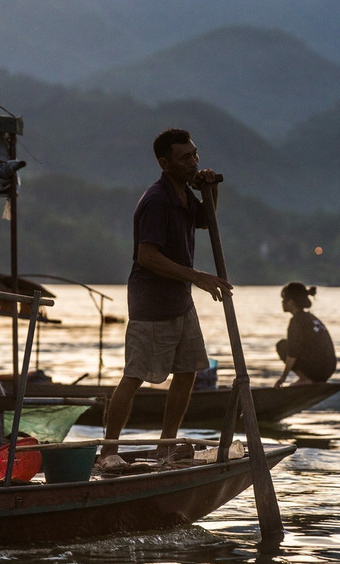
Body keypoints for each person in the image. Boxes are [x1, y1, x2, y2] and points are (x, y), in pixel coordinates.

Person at [98, 128, 232, 463]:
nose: (193, 162)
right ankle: (108, 451)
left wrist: (210, 189)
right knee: (135, 377)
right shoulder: (157, 200)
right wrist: (197, 276)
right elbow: (147, 256)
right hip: (152, 304)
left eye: (195, 154)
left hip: (180, 302)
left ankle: (166, 444)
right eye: (185, 158)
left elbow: (206, 221)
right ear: (164, 163)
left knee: (188, 371)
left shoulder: (183, 193)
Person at [274, 282, 336, 387]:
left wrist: (283, 378)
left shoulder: (297, 320)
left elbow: (292, 353)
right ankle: (311, 378)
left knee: (282, 345)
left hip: (317, 370)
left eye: (283, 300)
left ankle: (305, 379)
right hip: (328, 370)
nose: (282, 302)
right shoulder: (311, 318)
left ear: (291, 302)